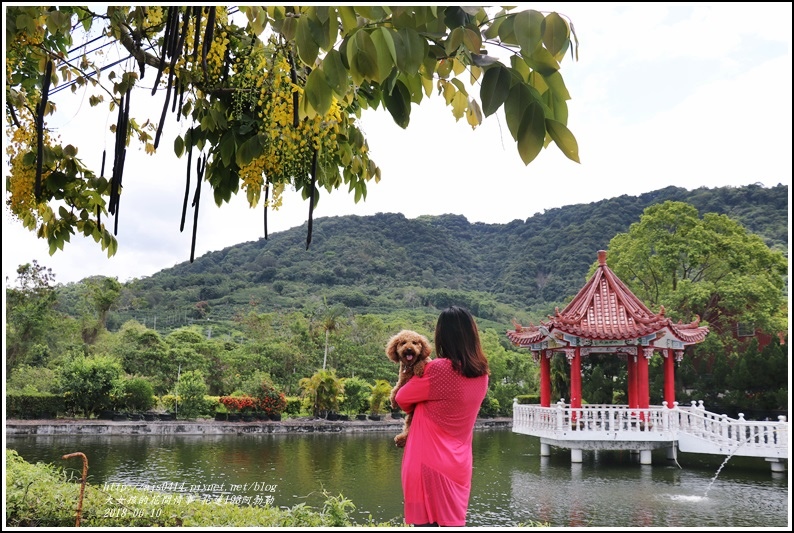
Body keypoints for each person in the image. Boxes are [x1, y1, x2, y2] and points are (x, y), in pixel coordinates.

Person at [395, 305, 490, 527]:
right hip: (460, 466)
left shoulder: (437, 369)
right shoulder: (482, 374)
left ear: (441, 337)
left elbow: (402, 398)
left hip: (426, 463)